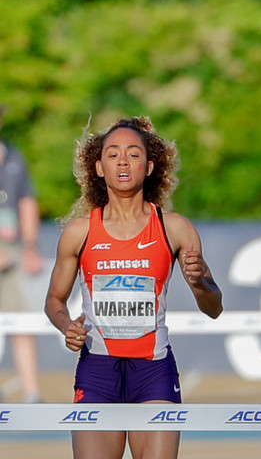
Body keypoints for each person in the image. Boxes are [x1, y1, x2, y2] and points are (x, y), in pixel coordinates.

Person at [45, 116, 223, 459]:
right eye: (113, 154)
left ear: (150, 165)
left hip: (153, 371)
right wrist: (66, 326)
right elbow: (54, 299)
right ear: (98, 168)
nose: (123, 161)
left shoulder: (176, 229)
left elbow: (213, 307)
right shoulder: (79, 233)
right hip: (97, 371)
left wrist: (200, 281)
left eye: (133, 153)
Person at [0, 105, 43, 403]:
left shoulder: (14, 156)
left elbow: (27, 202)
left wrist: (29, 248)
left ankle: (31, 391)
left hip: (11, 252)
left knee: (20, 322)